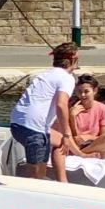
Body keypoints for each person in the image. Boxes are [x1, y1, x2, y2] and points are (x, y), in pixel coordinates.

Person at [9, 42, 80, 180]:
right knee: (35, 176)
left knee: (41, 171)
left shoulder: (46, 75)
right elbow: (61, 105)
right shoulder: (67, 78)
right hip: (33, 128)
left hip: (20, 124)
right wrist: (66, 135)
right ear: (73, 60)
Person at [52, 75, 105, 179]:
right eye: (79, 92)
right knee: (58, 148)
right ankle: (63, 178)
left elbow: (103, 136)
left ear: (94, 91)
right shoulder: (70, 107)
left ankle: (82, 154)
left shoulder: (103, 109)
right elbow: (70, 135)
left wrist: (88, 137)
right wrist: (71, 117)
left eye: (86, 91)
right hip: (73, 145)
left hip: (91, 145)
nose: (83, 95)